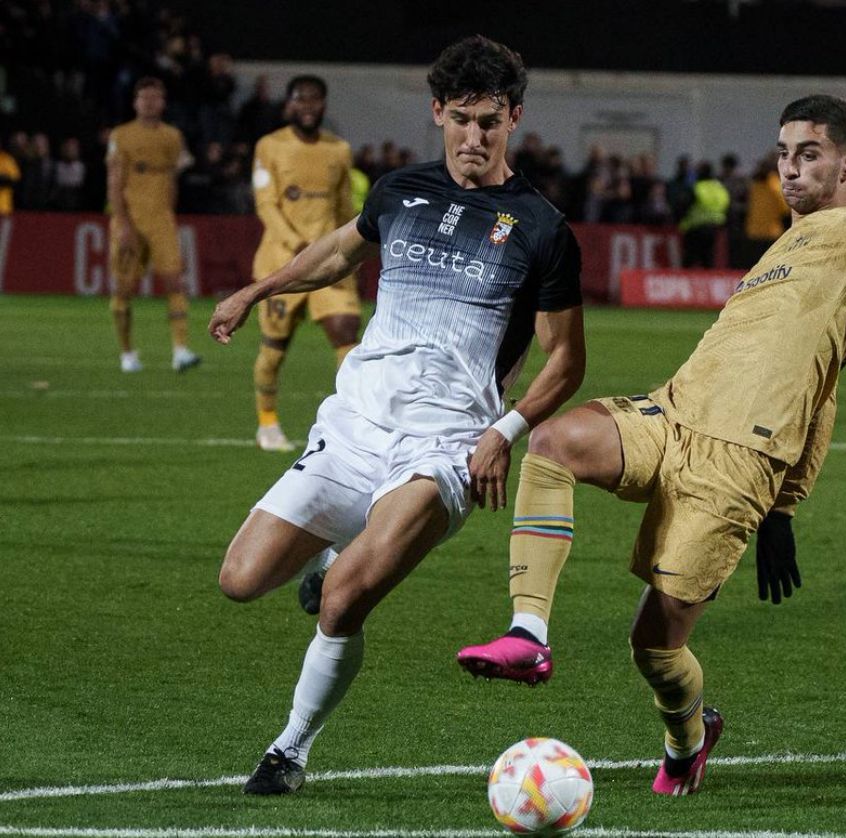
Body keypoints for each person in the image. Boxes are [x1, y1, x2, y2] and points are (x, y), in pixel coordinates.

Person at [458, 50, 846, 796]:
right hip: (670, 414)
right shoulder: (789, 244)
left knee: (654, 648)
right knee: (552, 442)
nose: (788, 169)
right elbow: (821, 385)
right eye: (782, 154)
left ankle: (689, 738)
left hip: (735, 465)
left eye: (808, 155)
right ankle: (528, 634)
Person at [207, 35, 585, 795]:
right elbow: (337, 255)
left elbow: (566, 360)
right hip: (352, 425)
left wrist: (501, 432)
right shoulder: (398, 192)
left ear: (514, 117)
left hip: (445, 444)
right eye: (460, 120)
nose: (473, 138)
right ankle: (330, 550)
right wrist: (258, 291)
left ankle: (289, 749)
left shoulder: (541, 229)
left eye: (490, 121)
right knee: (240, 581)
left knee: (345, 598)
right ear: (437, 112)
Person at [249, 75, 361, 452]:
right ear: (290, 104)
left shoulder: (339, 150)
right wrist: (295, 245)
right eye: (301, 99)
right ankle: (267, 422)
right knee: (273, 350)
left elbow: (344, 206)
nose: (308, 107)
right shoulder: (270, 146)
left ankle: (352, 426)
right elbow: (266, 204)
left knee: (346, 331)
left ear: (324, 105)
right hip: (281, 264)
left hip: (330, 263)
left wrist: (356, 250)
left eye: (315, 100)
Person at [107, 77, 201, 373]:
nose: (149, 102)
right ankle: (127, 354)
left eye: (155, 97)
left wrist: (168, 213)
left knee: (174, 281)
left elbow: (173, 178)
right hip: (130, 221)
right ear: (135, 102)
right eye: (144, 97)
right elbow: (114, 182)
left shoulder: (173, 137)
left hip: (161, 221)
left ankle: (181, 350)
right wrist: (121, 223)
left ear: (163, 102)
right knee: (124, 289)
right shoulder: (121, 135)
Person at [679, 161, 729, 267]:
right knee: (708, 259)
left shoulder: (697, 187)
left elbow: (683, 206)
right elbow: (728, 208)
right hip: (714, 229)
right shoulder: (720, 188)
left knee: (689, 259)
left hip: (695, 229)